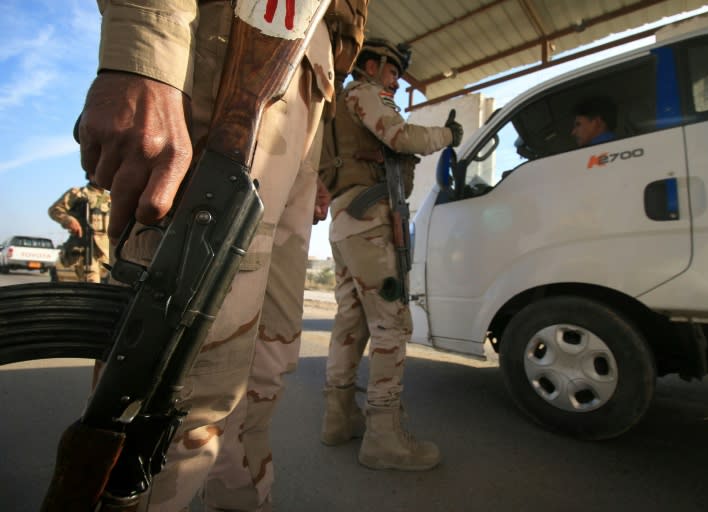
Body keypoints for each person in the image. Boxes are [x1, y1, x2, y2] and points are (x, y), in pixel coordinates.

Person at [77, 0, 367, 510]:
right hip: (235, 43)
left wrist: (312, 165)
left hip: (306, 79)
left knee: (263, 366)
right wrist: (143, 51)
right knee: (176, 387)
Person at [317, 38, 463, 471]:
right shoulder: (363, 94)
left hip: (346, 221)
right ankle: (383, 434)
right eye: (393, 72)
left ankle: (338, 417)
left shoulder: (340, 105)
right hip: (370, 221)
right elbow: (400, 137)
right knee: (391, 323)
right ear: (372, 67)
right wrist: (447, 136)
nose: (396, 82)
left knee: (351, 321)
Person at [48, 170, 110, 283]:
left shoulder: (110, 198)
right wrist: (68, 220)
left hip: (106, 250)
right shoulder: (77, 193)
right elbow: (54, 210)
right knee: (92, 285)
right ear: (90, 175)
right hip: (85, 246)